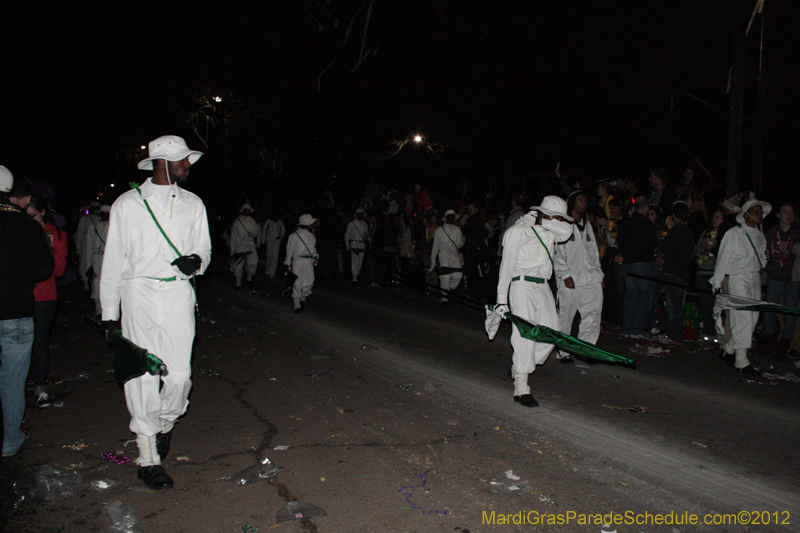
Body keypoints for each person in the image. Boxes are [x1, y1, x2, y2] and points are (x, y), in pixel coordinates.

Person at [100, 135, 211, 489]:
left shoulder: (193, 203)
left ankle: (164, 423)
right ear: (163, 162)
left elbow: (204, 248)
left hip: (178, 293)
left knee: (179, 376)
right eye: (183, 160)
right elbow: (114, 261)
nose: (188, 165)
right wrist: (108, 312)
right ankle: (147, 456)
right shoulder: (128, 204)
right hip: (139, 293)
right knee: (143, 374)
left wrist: (197, 261)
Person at [495, 196, 574, 407]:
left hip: (543, 286)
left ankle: (521, 365)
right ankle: (521, 386)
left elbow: (568, 231)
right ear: (544, 213)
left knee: (552, 332)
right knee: (525, 334)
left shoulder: (550, 232)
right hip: (521, 285)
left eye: (560, 218)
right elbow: (506, 267)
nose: (559, 222)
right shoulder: (518, 232)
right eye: (556, 217)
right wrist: (501, 300)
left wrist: (543, 221)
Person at [0, 165, 54, 457]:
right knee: (11, 380)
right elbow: (44, 268)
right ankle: (9, 440)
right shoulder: (26, 225)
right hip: (16, 311)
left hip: (16, 312)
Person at [709, 198, 771, 376]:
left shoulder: (759, 235)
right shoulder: (734, 233)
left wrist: (765, 259)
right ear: (746, 214)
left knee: (753, 317)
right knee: (742, 316)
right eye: (756, 211)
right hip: (738, 277)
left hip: (754, 278)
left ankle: (729, 348)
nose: (759, 215)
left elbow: (762, 258)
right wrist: (717, 281)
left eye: (761, 212)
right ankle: (741, 360)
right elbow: (723, 258)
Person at [27, 194, 68, 407]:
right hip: (21, 294)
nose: (27, 218)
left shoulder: (55, 234)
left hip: (44, 296)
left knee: (39, 341)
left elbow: (59, 270)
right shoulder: (22, 230)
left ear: (42, 212)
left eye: (31, 214)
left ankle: (39, 384)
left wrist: (49, 250)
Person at [554, 190, 604, 363]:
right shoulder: (563, 224)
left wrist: (599, 274)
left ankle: (585, 350)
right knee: (566, 317)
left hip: (590, 279)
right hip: (570, 280)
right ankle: (563, 351)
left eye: (585, 200)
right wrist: (564, 274)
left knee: (592, 316)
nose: (583, 203)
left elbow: (593, 253)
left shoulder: (587, 224)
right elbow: (557, 252)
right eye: (580, 200)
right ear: (572, 203)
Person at [617, 196, 658, 338]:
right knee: (643, 297)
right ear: (646, 208)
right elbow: (653, 244)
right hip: (643, 263)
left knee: (631, 296)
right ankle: (636, 329)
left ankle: (627, 328)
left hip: (628, 263)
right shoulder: (647, 225)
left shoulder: (626, 224)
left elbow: (620, 242)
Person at [762, 202, 800, 354]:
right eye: (785, 212)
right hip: (775, 278)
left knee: (790, 315)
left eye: (791, 212)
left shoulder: (798, 233)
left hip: (793, 280)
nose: (788, 216)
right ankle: (767, 344)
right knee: (769, 312)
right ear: (778, 214)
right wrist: (768, 268)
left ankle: (784, 347)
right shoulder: (770, 233)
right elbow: (762, 253)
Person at [656, 201, 695, 343]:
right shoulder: (689, 232)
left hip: (673, 272)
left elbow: (665, 247)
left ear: (673, 215)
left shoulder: (676, 231)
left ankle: (675, 336)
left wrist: (662, 241)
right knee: (674, 304)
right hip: (683, 273)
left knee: (674, 306)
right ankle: (666, 329)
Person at [694, 208, 724, 342]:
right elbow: (696, 251)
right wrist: (703, 247)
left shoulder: (725, 235)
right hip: (702, 272)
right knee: (705, 306)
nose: (715, 219)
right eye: (714, 216)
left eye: (718, 217)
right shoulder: (705, 233)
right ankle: (708, 332)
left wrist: (714, 250)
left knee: (717, 306)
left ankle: (720, 333)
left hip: (715, 274)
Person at [429, 209, 466, 303]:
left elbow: (458, 245)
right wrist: (433, 261)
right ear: (446, 218)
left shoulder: (457, 230)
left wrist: (462, 241)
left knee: (458, 275)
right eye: (450, 216)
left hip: (454, 255)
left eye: (453, 216)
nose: (452, 218)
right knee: (445, 277)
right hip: (443, 254)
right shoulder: (439, 230)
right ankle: (444, 298)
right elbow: (435, 246)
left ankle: (445, 291)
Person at [285, 214, 319, 313]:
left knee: (309, 282)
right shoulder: (294, 236)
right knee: (297, 283)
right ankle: (296, 304)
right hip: (297, 260)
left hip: (308, 261)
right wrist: (287, 263)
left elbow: (313, 250)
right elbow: (289, 251)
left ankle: (303, 298)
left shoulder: (311, 236)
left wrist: (315, 256)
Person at [83, 205, 110, 316]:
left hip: (109, 259)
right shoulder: (93, 227)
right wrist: (88, 264)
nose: (104, 216)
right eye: (102, 213)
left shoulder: (114, 226)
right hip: (97, 258)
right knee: (97, 284)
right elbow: (89, 247)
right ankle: (98, 309)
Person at [230, 203, 259, 289]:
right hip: (239, 244)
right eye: (246, 210)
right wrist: (232, 250)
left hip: (250, 244)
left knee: (253, 261)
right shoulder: (236, 222)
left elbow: (255, 232)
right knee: (239, 264)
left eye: (248, 210)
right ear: (242, 210)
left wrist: (252, 234)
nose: (247, 211)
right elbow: (233, 236)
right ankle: (238, 283)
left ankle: (249, 278)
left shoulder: (252, 220)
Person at [74, 201, 101, 291]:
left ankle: (88, 284)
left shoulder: (91, 219)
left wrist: (78, 247)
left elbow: (80, 234)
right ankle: (88, 283)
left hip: (89, 245)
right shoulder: (87, 219)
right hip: (89, 245)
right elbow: (80, 233)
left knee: (86, 263)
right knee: (86, 263)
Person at [345, 208, 370, 283]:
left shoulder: (365, 224)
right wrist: (347, 245)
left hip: (362, 244)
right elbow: (347, 235)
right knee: (355, 261)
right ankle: (354, 276)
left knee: (360, 261)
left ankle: (357, 275)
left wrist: (368, 238)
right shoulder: (352, 224)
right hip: (354, 243)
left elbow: (367, 235)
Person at [260, 211, 285, 278]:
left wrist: (280, 236)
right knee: (269, 255)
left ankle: (272, 272)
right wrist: (263, 241)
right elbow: (264, 231)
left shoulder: (279, 222)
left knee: (275, 257)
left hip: (276, 241)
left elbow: (283, 230)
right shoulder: (268, 221)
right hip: (269, 241)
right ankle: (267, 271)